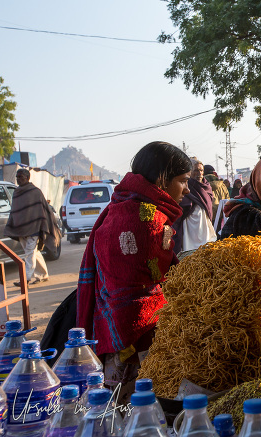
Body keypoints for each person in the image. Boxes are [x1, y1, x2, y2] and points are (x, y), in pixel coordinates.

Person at [76, 141, 191, 400]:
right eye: (183, 180)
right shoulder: (147, 220)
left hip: (112, 326)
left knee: (119, 406)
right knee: (140, 406)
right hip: (136, 337)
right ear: (162, 178)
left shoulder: (120, 206)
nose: (186, 188)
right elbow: (155, 283)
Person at [5, 168, 59, 286]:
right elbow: (15, 211)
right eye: (17, 177)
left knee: (29, 254)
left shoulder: (35, 192)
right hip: (21, 229)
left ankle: (26, 279)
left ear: (27, 178)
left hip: (34, 229)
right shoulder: (17, 192)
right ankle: (43, 274)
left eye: (21, 177)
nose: (18, 179)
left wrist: (42, 226)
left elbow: (42, 210)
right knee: (33, 253)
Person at [171, 158, 216, 253]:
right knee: (190, 251)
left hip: (203, 222)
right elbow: (181, 203)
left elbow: (209, 202)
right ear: (190, 172)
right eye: (196, 170)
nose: (199, 173)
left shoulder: (206, 186)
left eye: (201, 170)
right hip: (189, 223)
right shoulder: (185, 184)